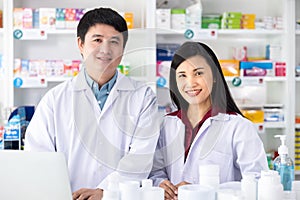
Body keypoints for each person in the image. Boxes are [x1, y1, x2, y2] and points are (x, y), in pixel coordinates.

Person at [24, 7, 159, 200]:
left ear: (123, 49)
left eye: (114, 42)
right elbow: (37, 157)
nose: (105, 49)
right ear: (80, 44)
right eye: (97, 40)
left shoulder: (143, 97)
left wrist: (106, 192)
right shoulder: (55, 100)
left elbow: (141, 158)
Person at [149, 41, 268, 200]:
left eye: (198, 73)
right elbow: (155, 170)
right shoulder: (166, 124)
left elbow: (258, 181)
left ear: (215, 77)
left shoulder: (238, 127)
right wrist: (160, 184)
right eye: (182, 75)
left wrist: (204, 191)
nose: (190, 83)